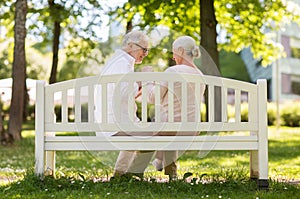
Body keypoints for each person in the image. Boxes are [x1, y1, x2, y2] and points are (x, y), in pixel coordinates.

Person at [125, 35, 206, 180]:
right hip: (192, 128)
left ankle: (134, 173)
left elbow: (153, 98)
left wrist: (147, 79)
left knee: (149, 133)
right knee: (167, 124)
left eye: (174, 52)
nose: (173, 56)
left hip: (172, 128)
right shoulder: (200, 75)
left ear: (180, 51)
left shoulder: (173, 72)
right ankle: (171, 172)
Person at [93, 30, 150, 177]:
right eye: (144, 49)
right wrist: (142, 79)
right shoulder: (122, 64)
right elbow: (125, 92)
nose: (145, 53)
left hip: (110, 122)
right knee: (153, 135)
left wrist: (139, 85)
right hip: (114, 125)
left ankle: (121, 174)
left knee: (142, 133)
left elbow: (124, 95)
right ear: (131, 45)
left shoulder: (119, 61)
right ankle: (131, 175)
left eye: (147, 50)